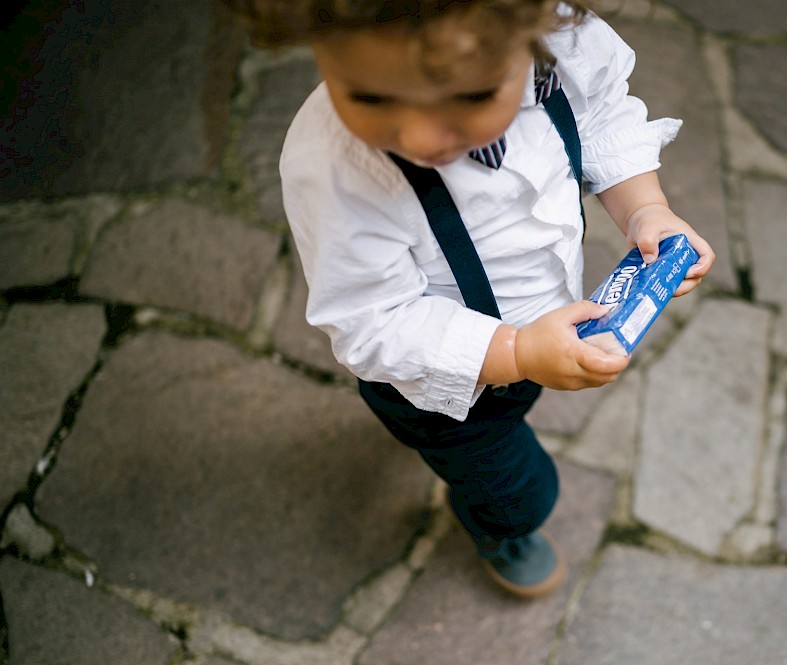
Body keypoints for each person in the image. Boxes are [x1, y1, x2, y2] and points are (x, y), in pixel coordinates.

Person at [224, 0, 715, 598]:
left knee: (516, 423)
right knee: (514, 488)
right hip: (444, 383)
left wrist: (645, 207)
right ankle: (501, 529)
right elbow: (373, 321)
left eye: (473, 98)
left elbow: (605, 115)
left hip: (536, 327)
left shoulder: (564, 43)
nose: (421, 135)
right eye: (371, 98)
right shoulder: (335, 169)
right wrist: (518, 352)